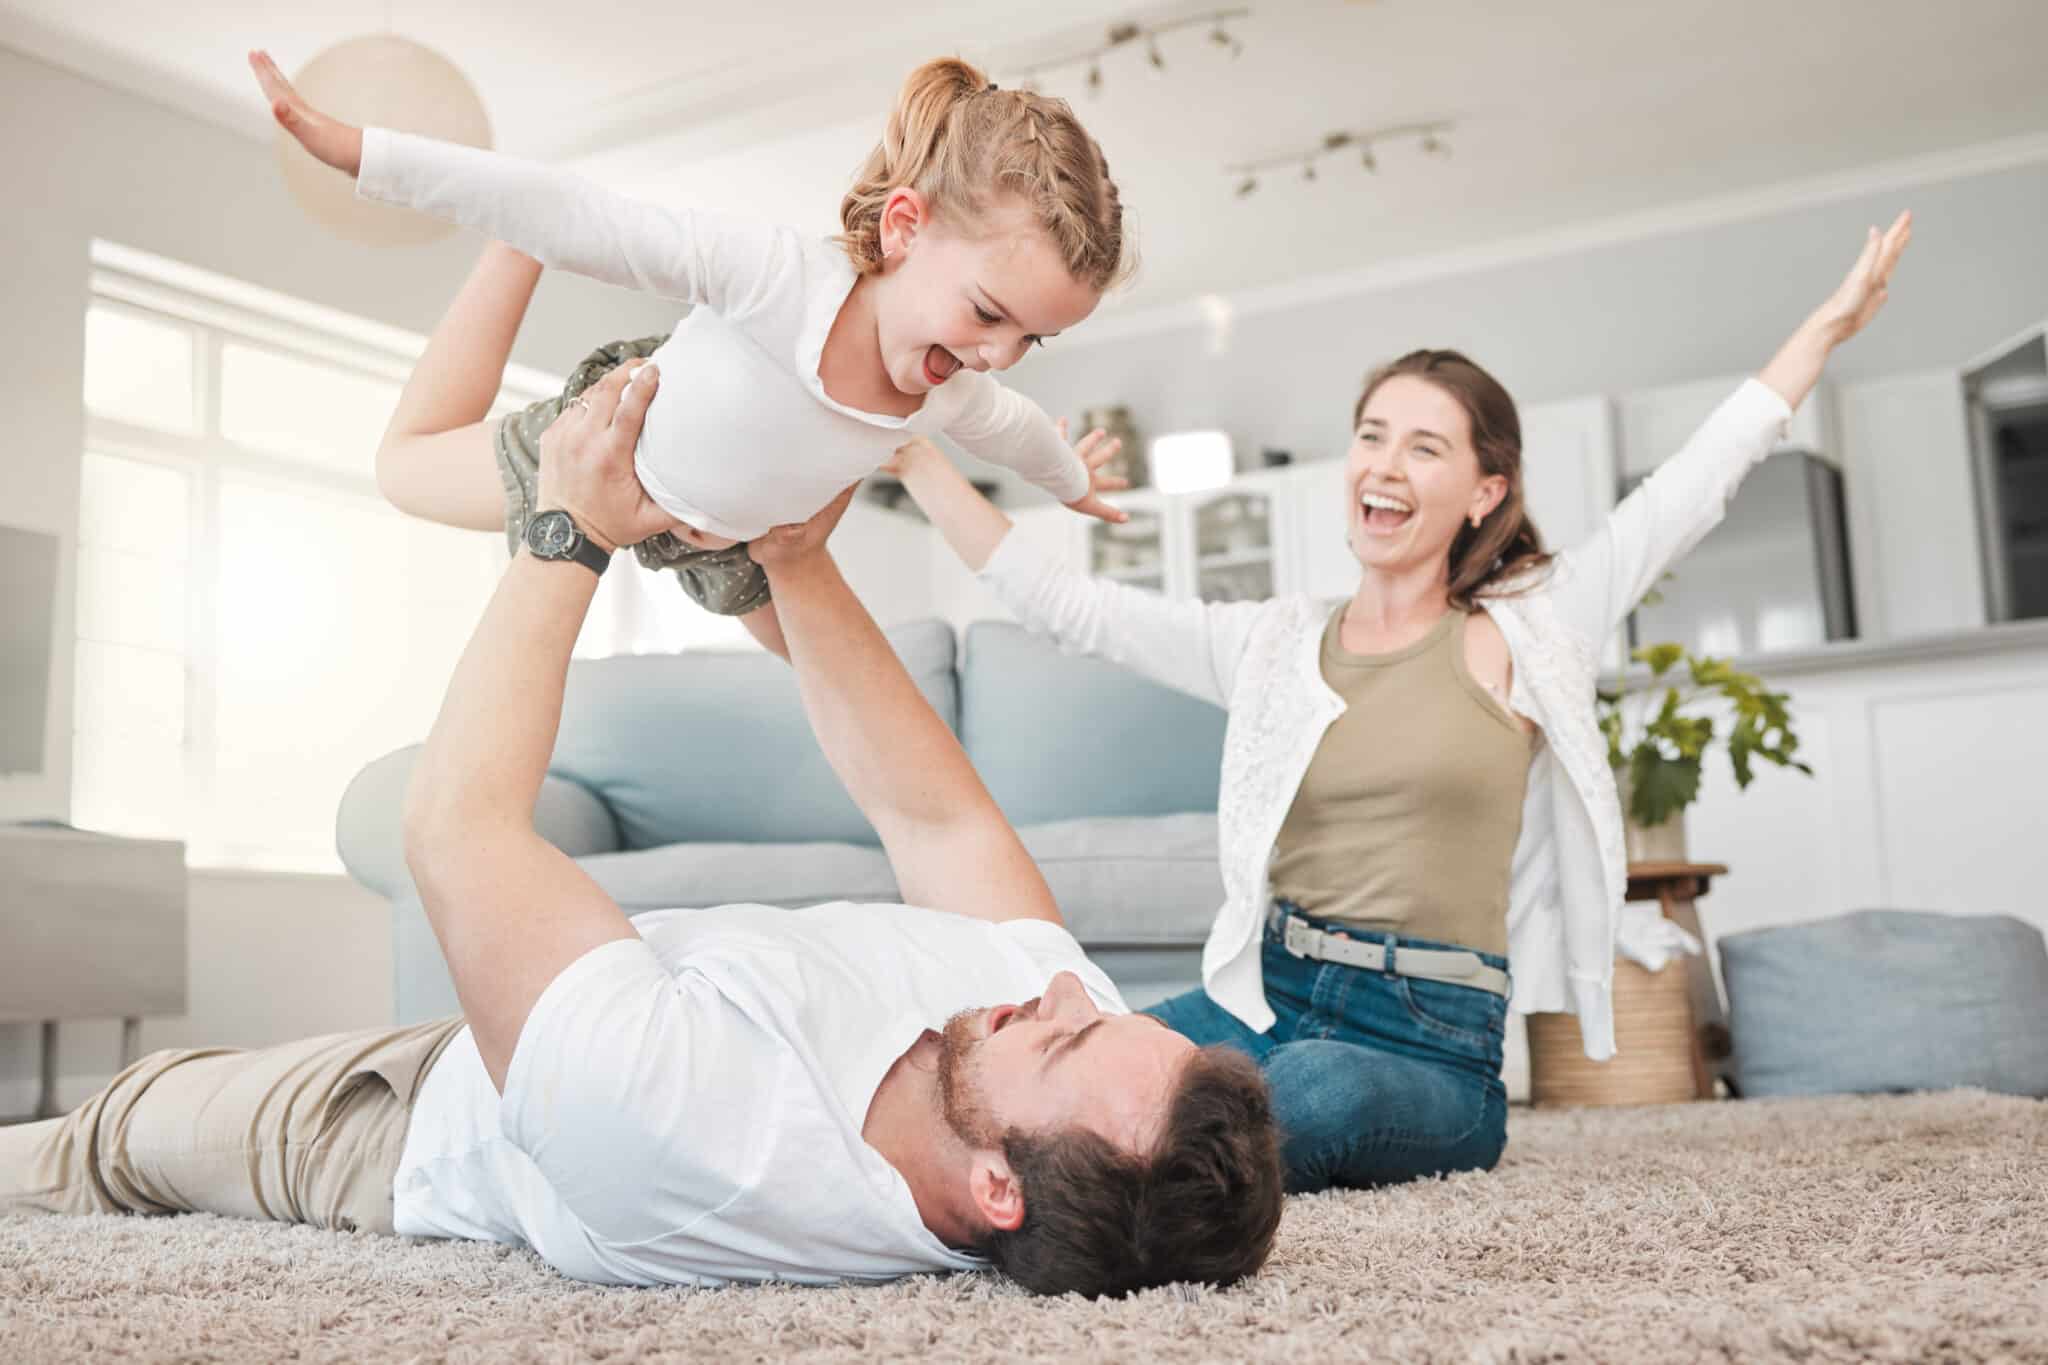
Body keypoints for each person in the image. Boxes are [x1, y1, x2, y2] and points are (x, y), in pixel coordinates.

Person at [0, 359, 1285, 1297]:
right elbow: (935, 814)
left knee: (116, 1131)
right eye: (1099, 1013)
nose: (1056, 989)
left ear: (995, 1193)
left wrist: (563, 533)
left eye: (1063, 1043)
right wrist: (784, 555)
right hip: (604, 987)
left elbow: (456, 833)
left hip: (417, 1117)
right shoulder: (1054, 1028)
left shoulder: (695, 1134)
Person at [891, 213, 1914, 1192]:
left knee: (1296, 1097)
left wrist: (1823, 332)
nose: (1382, 464)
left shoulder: (1529, 631)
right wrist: (911, 451)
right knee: (1083, 1057)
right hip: (1266, 991)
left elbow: (1689, 489)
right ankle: (993, 1187)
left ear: (1482, 491)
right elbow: (1069, 605)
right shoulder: (1275, 644)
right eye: (1371, 435)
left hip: (1428, 1039)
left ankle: (1103, 1195)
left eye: (1423, 446)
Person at [246, 50, 1131, 655]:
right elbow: (581, 215)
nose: (1000, 356)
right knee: (402, 473)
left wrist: (1070, 481)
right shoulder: (780, 278)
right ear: (905, 227)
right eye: (988, 314)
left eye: (1031, 337)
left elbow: (1017, 431)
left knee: (846, 684)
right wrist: (361, 153)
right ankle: (509, 250)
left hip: (729, 542)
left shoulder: (951, 392)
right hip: (615, 450)